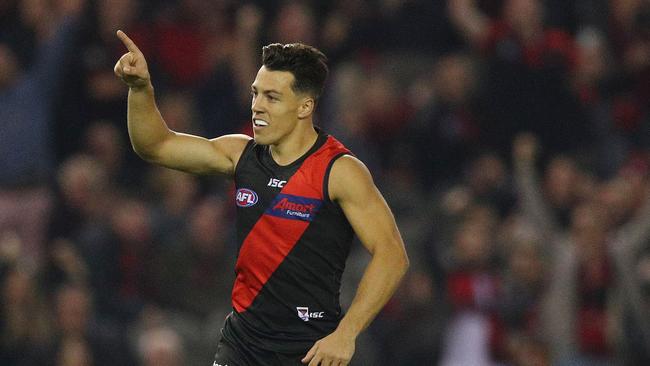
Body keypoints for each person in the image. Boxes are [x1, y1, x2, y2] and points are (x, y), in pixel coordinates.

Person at [113, 30, 409, 366]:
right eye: (256, 94)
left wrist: (347, 333)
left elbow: (392, 255)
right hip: (242, 344)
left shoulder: (339, 171)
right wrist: (140, 89)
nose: (257, 106)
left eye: (272, 97)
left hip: (309, 349)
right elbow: (155, 146)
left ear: (305, 106)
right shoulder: (240, 154)